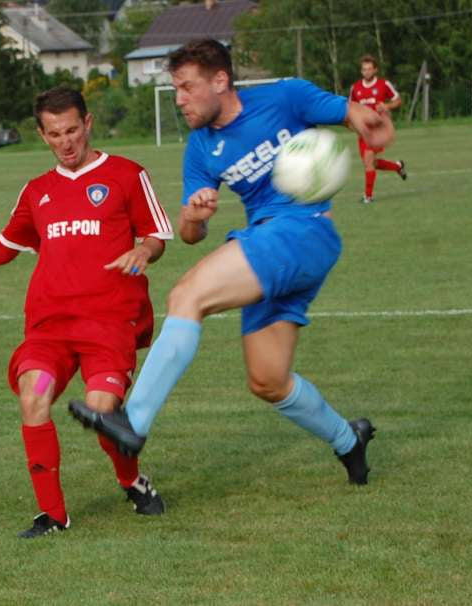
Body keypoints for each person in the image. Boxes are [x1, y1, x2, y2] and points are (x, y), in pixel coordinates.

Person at [70, 38, 394, 487]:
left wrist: (371, 124)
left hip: (303, 230)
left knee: (187, 294)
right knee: (268, 380)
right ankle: (348, 439)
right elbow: (189, 235)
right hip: (271, 242)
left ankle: (135, 420)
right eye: (176, 89)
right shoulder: (200, 149)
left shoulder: (286, 96)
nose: (179, 99)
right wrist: (194, 217)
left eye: (187, 87)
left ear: (220, 81)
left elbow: (354, 113)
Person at [0, 87, 174, 538]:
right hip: (50, 326)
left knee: (103, 412)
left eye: (71, 131)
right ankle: (53, 516)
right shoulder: (37, 191)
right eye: (53, 134)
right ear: (42, 135)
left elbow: (157, 235)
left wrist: (143, 249)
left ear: (88, 123)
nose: (65, 143)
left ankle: (131, 480)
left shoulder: (126, 175)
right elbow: (3, 248)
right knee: (34, 396)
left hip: (109, 323)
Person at [349, 54, 407, 204]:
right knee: (371, 163)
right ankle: (397, 166)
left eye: (369, 69)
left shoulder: (383, 84)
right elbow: (351, 108)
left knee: (368, 160)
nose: (366, 72)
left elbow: (398, 100)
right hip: (363, 130)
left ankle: (368, 196)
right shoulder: (355, 88)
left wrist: (387, 106)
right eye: (364, 69)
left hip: (378, 130)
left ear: (375, 70)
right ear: (361, 71)